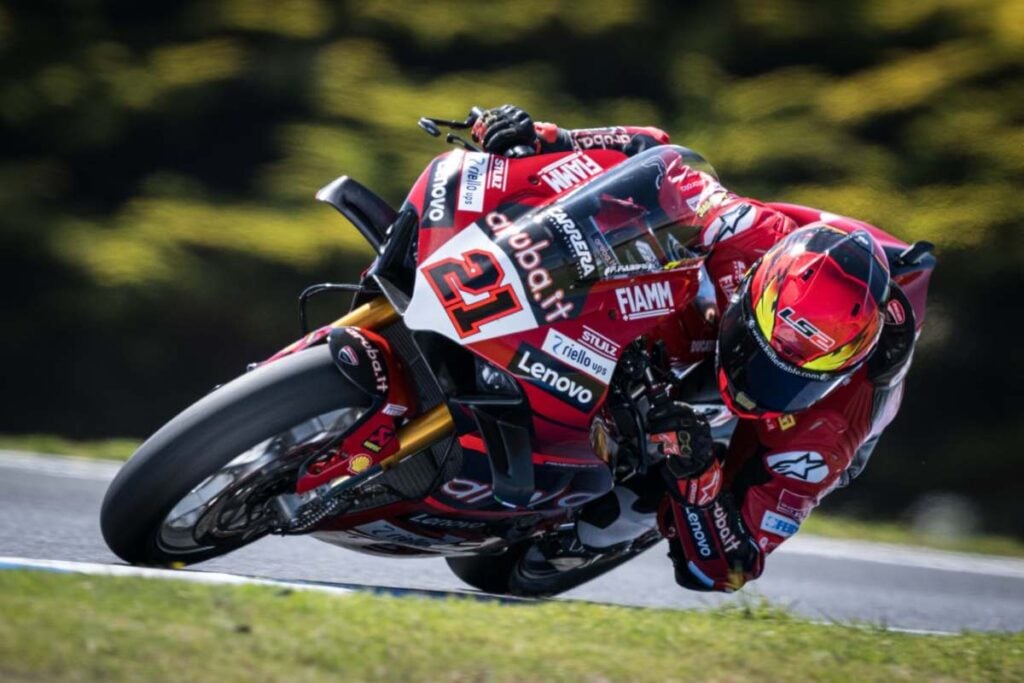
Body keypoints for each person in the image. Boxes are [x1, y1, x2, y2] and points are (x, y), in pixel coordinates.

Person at [471, 105, 923, 592]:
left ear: (844, 365)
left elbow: (730, 569)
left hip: (776, 432)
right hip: (720, 303)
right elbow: (650, 152)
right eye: (770, 343)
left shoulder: (828, 430)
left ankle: (572, 542)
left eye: (797, 368)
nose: (765, 379)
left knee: (626, 509)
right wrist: (545, 136)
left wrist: (698, 474)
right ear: (758, 286)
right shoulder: (748, 234)